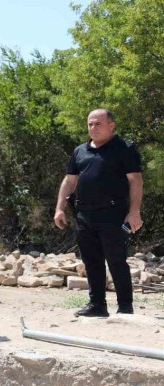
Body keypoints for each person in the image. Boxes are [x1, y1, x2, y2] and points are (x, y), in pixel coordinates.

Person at [54, 109, 143, 317]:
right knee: (91, 261)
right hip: (84, 215)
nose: (93, 128)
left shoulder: (124, 148)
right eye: (90, 124)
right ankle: (97, 306)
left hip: (113, 214)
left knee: (116, 260)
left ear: (111, 125)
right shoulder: (80, 151)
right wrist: (59, 208)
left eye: (98, 124)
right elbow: (69, 180)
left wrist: (134, 212)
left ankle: (125, 308)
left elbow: (135, 180)